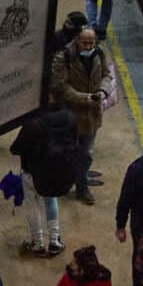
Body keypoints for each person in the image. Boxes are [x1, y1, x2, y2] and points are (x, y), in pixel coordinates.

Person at [8, 90, 77, 257]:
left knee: (32, 204)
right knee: (51, 199)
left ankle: (37, 243)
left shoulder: (35, 121)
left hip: (32, 171)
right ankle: (54, 241)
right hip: (57, 169)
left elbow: (15, 148)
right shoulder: (70, 116)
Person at [49, 25, 108, 205]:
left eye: (92, 42)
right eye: (85, 43)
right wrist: (85, 98)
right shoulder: (63, 58)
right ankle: (64, 182)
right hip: (70, 116)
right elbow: (61, 87)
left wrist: (103, 92)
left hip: (92, 116)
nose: (89, 46)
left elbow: (106, 74)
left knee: (86, 153)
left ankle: (81, 187)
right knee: (66, 152)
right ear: (77, 40)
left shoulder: (99, 54)